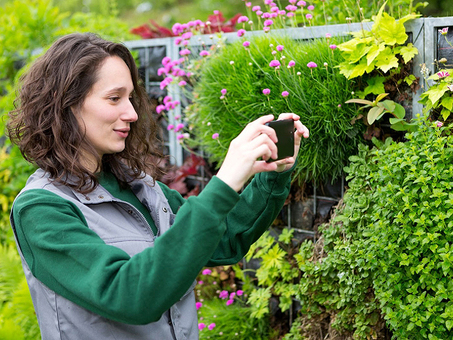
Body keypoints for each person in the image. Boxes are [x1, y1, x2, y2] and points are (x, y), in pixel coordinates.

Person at [7, 32, 309, 340]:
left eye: (130, 98)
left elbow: (223, 240)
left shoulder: (140, 187)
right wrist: (225, 180)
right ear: (67, 104)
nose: (133, 113)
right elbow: (131, 295)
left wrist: (273, 174)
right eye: (114, 98)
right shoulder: (42, 210)